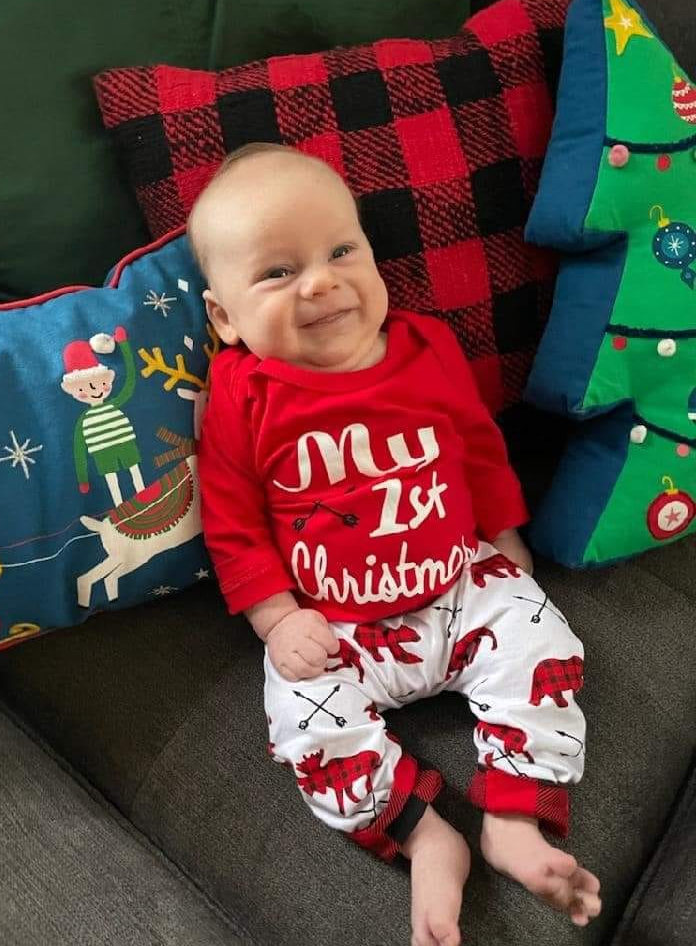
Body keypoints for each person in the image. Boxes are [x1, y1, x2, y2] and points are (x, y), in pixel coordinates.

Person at [188, 142, 601, 946]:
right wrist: (277, 619)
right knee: (303, 722)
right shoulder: (242, 395)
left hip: (460, 585)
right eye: (278, 272)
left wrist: (505, 541)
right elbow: (232, 523)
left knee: (545, 640)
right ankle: (424, 835)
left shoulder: (425, 347)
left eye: (341, 251)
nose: (320, 282)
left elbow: (479, 451)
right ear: (225, 318)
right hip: (337, 627)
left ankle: (513, 819)